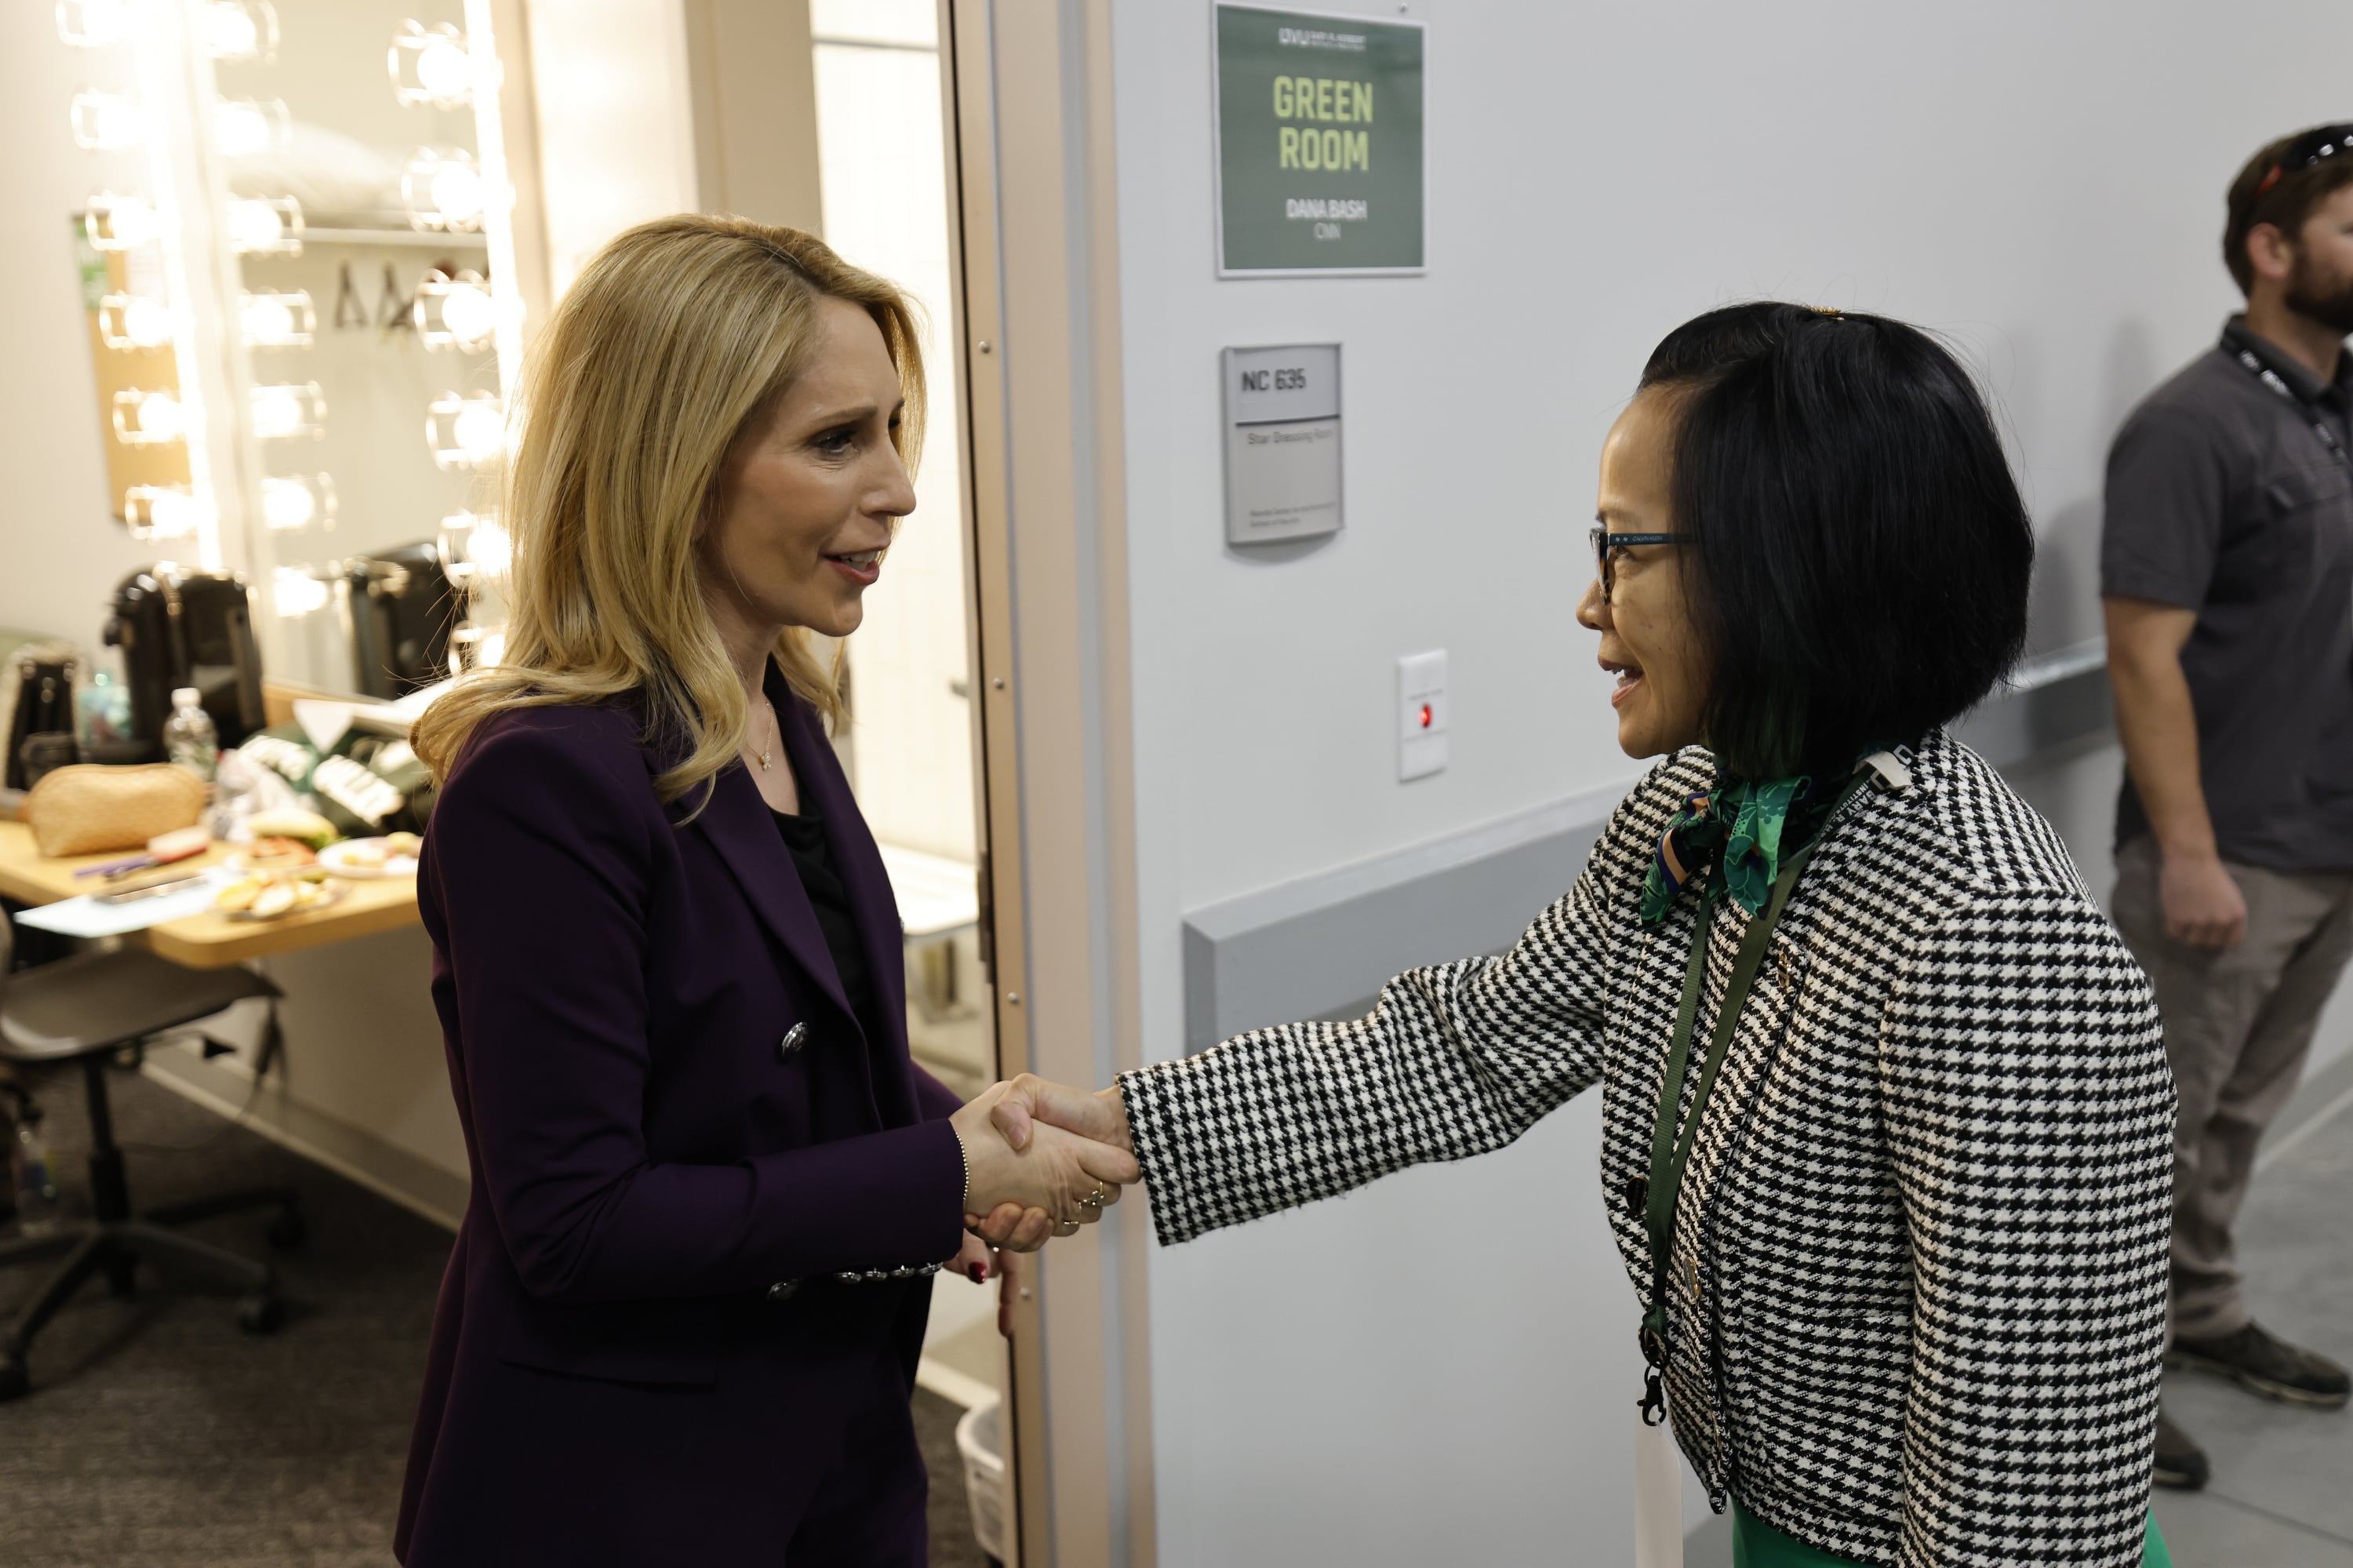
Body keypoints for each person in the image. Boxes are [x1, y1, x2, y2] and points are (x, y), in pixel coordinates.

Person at [999, 304, 2177, 1566]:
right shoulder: (1701, 808)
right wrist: (1122, 1128)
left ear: (1792, 562)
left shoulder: (1995, 949)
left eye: (1624, 549)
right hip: (1774, 1524)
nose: (1587, 601)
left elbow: (2029, 1520)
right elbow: (1461, 1048)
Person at [396, 216, 1136, 1566]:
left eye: (896, 430)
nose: (903, 489)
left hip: (833, 1435)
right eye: (838, 441)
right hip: (625, 1488)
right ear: (674, 465)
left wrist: (970, 1139)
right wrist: (936, 1174)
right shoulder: (541, 783)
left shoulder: (781, 705)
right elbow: (576, 1221)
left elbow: (780, 1063)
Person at [2102, 123, 2353, 1493]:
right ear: (2272, 251)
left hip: (2331, 845)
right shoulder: (2192, 426)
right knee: (2146, 1134)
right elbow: (2142, 655)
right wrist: (2187, 853)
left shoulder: (2338, 406)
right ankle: (2096, 1380)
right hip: (2227, 859)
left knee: (2246, 1113)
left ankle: (2200, 1315)